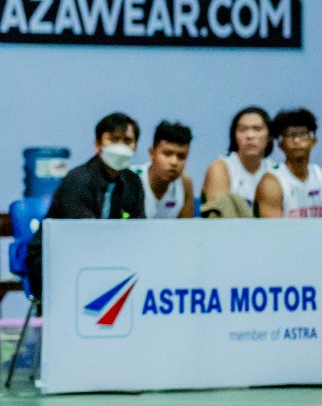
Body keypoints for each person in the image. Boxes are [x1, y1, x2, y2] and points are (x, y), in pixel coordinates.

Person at [24, 112, 146, 299]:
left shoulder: (133, 183)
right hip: (55, 259)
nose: (121, 147)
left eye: (127, 141)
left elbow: (139, 232)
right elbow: (83, 237)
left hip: (110, 260)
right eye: (114, 140)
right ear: (98, 145)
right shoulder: (77, 180)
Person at [201, 106, 273, 206]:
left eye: (257, 129)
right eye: (243, 130)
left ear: (270, 136)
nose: (250, 136)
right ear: (234, 136)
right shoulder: (220, 167)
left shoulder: (274, 170)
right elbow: (218, 213)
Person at [133, 121, 195, 218]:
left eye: (181, 156)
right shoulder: (131, 178)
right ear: (152, 153)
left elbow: (186, 226)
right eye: (167, 154)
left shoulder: (185, 184)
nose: (174, 162)